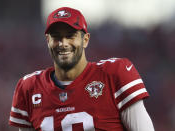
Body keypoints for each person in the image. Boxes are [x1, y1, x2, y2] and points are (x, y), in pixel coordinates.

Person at [9, 7, 154, 131]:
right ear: (48, 41)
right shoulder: (29, 88)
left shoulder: (114, 73)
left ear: (85, 40)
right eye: (56, 37)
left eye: (70, 36)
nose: (63, 43)